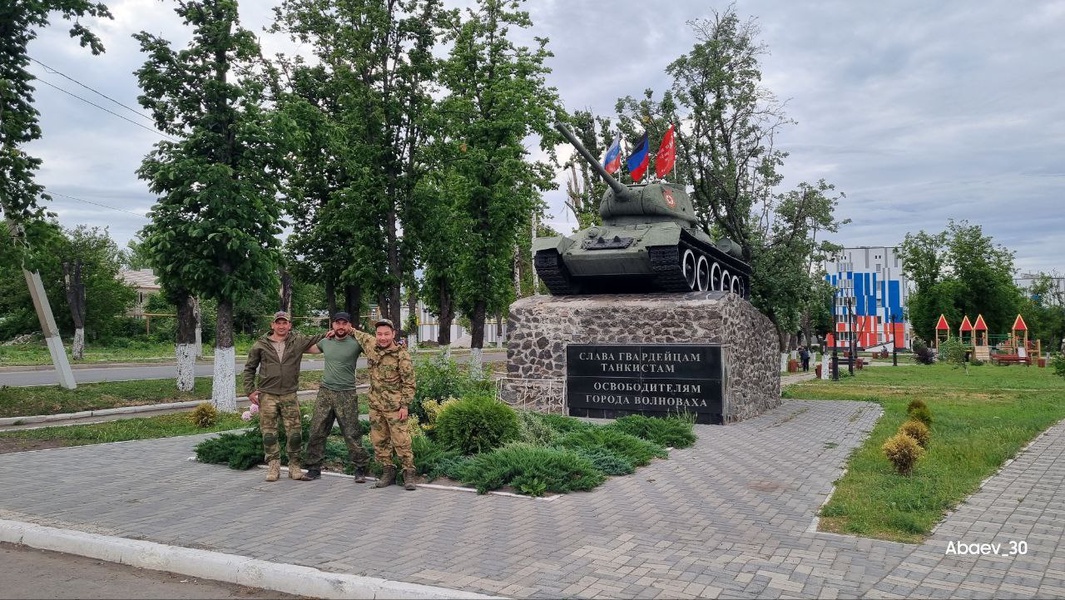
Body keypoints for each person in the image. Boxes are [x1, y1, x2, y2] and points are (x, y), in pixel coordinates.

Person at [242, 311, 325, 482]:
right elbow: (249, 368)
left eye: (284, 323)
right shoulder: (260, 344)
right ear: (272, 325)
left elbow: (318, 337)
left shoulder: (298, 341)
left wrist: (335, 330)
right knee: (269, 434)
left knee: (295, 434)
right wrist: (249, 390)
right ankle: (273, 466)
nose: (281, 326)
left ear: (289, 325)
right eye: (278, 323)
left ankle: (294, 466)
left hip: (289, 395)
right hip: (267, 395)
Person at [349, 318, 418, 490]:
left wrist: (404, 406)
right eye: (379, 334)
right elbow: (357, 334)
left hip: (395, 408)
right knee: (379, 441)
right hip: (376, 406)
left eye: (386, 334)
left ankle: (408, 473)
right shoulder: (371, 346)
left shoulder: (401, 355)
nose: (383, 337)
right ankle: (388, 472)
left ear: (393, 334)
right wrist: (339, 330)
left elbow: (409, 383)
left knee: (402, 441)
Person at [302, 312, 371, 483]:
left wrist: (355, 332)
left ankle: (360, 468)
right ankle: (313, 468)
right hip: (325, 392)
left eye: (344, 323)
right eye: (337, 323)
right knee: (317, 430)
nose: (340, 327)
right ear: (332, 325)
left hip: (346, 393)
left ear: (349, 325)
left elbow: (373, 344)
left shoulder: (356, 343)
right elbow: (306, 347)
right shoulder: (326, 342)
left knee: (351, 433)